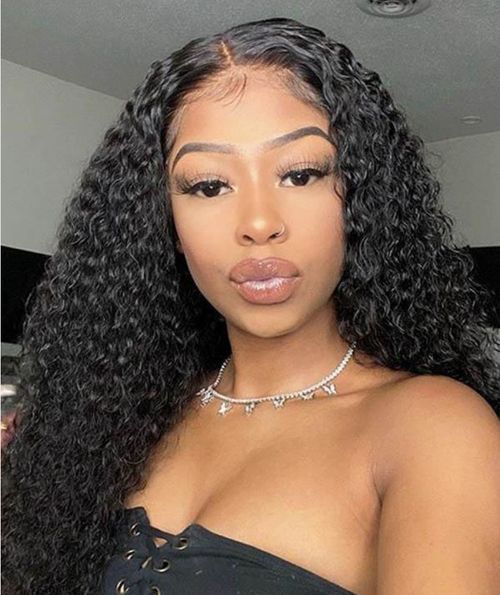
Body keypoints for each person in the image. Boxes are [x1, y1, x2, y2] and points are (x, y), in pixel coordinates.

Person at [2, 16, 499, 595]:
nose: (259, 223)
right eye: (209, 186)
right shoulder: (118, 419)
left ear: (360, 198)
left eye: (301, 174)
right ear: (164, 220)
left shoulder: (434, 428)